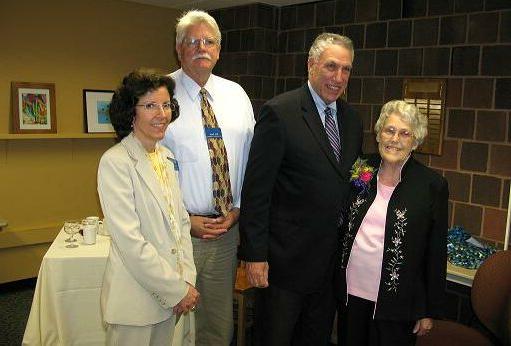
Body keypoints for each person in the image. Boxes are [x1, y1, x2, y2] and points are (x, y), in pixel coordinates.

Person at [239, 33, 363, 345]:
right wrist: (255, 256)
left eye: (346, 70)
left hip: (329, 267)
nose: (338, 78)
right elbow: (256, 192)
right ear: (311, 66)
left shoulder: (352, 120)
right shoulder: (280, 113)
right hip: (284, 266)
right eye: (331, 66)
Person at [161, 10, 255, 346]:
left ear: (218, 49)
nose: (202, 47)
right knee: (169, 317)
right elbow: (147, 169)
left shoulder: (237, 96)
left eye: (209, 41)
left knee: (216, 320)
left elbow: (250, 160)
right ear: (179, 49)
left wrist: (239, 210)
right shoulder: (160, 95)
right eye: (192, 42)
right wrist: (185, 220)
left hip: (226, 230)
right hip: (174, 232)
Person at [97, 70, 199, 346]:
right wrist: (176, 290)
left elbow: (182, 224)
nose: (161, 114)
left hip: (173, 297)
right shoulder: (115, 162)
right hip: (136, 303)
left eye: (166, 105)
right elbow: (131, 243)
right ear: (131, 112)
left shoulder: (166, 157)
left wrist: (187, 279)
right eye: (150, 106)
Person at [336, 100, 448, 345]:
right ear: (378, 133)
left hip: (398, 303)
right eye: (389, 130)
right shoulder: (362, 168)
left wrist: (428, 309)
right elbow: (342, 221)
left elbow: (435, 251)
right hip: (350, 293)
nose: (394, 139)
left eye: (404, 133)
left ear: (415, 141)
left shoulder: (430, 185)